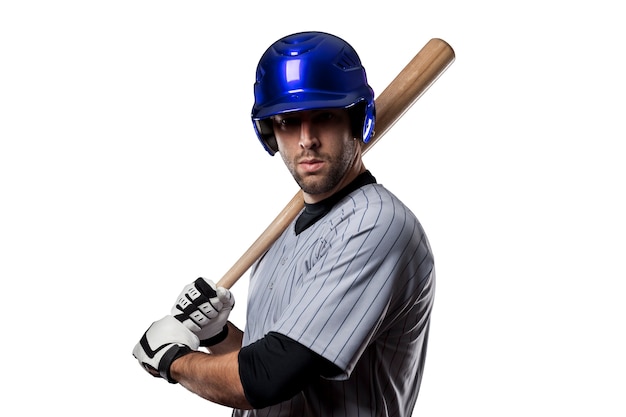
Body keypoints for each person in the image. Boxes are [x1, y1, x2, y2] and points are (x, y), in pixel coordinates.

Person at [133, 31, 436, 417]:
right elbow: (274, 362)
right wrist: (218, 336)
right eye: (289, 121)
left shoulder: (376, 225)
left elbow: (268, 376)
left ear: (357, 118)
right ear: (270, 132)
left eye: (324, 116)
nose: (306, 139)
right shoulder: (283, 233)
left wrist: (173, 360)